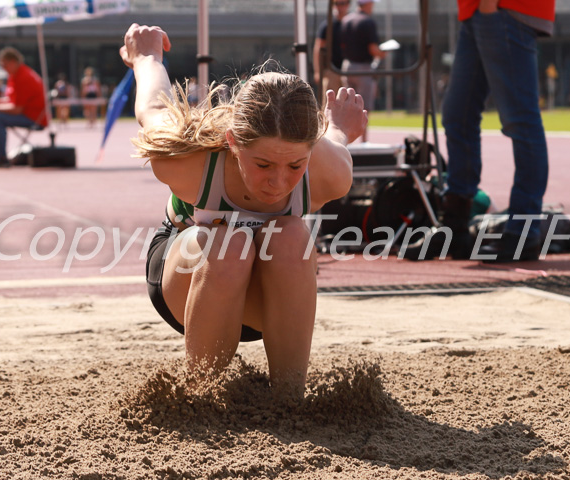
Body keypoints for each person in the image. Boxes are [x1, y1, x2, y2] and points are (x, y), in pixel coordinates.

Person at [120, 24, 366, 398]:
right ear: (233, 143)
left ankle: (288, 399)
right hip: (188, 284)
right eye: (263, 165)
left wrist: (339, 129)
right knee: (229, 246)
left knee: (292, 236)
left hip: (267, 300)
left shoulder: (329, 172)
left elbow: (334, 141)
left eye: (295, 166)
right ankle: (202, 397)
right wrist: (147, 57)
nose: (278, 183)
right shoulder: (188, 161)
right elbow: (154, 106)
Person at [425, 0, 556, 263]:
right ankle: (455, 224)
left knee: (521, 120)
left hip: (503, 8)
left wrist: (488, 4)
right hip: (479, 10)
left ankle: (523, 232)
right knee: (457, 114)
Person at [0, 47, 48, 168]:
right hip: (27, 114)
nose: (3, 68)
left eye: (4, 64)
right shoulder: (15, 74)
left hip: (34, 118)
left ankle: (0, 156)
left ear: (12, 62)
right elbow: (12, 100)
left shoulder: (23, 77)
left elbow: (17, 109)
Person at [339, 0, 385, 142]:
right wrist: (383, 53)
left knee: (348, 105)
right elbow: (373, 49)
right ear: (368, 4)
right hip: (363, 68)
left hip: (347, 66)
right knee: (364, 106)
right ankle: (363, 141)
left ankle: (346, 139)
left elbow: (341, 44)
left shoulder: (346, 20)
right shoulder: (368, 22)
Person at [313, 0, 350, 109]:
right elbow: (318, 48)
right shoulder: (327, 25)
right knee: (330, 104)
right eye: (337, 3)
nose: (340, 7)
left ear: (348, 5)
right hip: (331, 70)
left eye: (343, 3)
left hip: (349, 70)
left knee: (348, 104)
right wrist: (317, 71)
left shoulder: (352, 23)